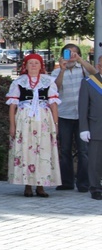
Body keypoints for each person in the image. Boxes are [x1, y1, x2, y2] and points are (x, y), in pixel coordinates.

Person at [6, 53, 61, 197]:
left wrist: (55, 124)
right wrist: (12, 126)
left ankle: (41, 185)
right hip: (24, 120)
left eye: (36, 63)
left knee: (43, 150)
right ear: (25, 66)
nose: (33, 66)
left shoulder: (48, 81)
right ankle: (28, 185)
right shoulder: (19, 82)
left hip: (43, 120)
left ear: (41, 65)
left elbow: (54, 105)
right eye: (30, 63)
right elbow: (12, 106)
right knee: (26, 150)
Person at [51, 44, 98, 192]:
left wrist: (81, 60)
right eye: (68, 53)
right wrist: (62, 70)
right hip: (64, 114)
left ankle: (84, 183)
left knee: (83, 151)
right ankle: (67, 182)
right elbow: (55, 89)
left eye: (74, 53)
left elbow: (96, 74)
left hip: (82, 117)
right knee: (65, 150)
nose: (71, 56)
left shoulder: (83, 70)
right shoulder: (57, 72)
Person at [78, 55, 102, 200]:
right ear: (99, 66)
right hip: (96, 127)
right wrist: (83, 128)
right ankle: (95, 188)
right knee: (94, 160)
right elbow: (82, 108)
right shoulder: (89, 83)